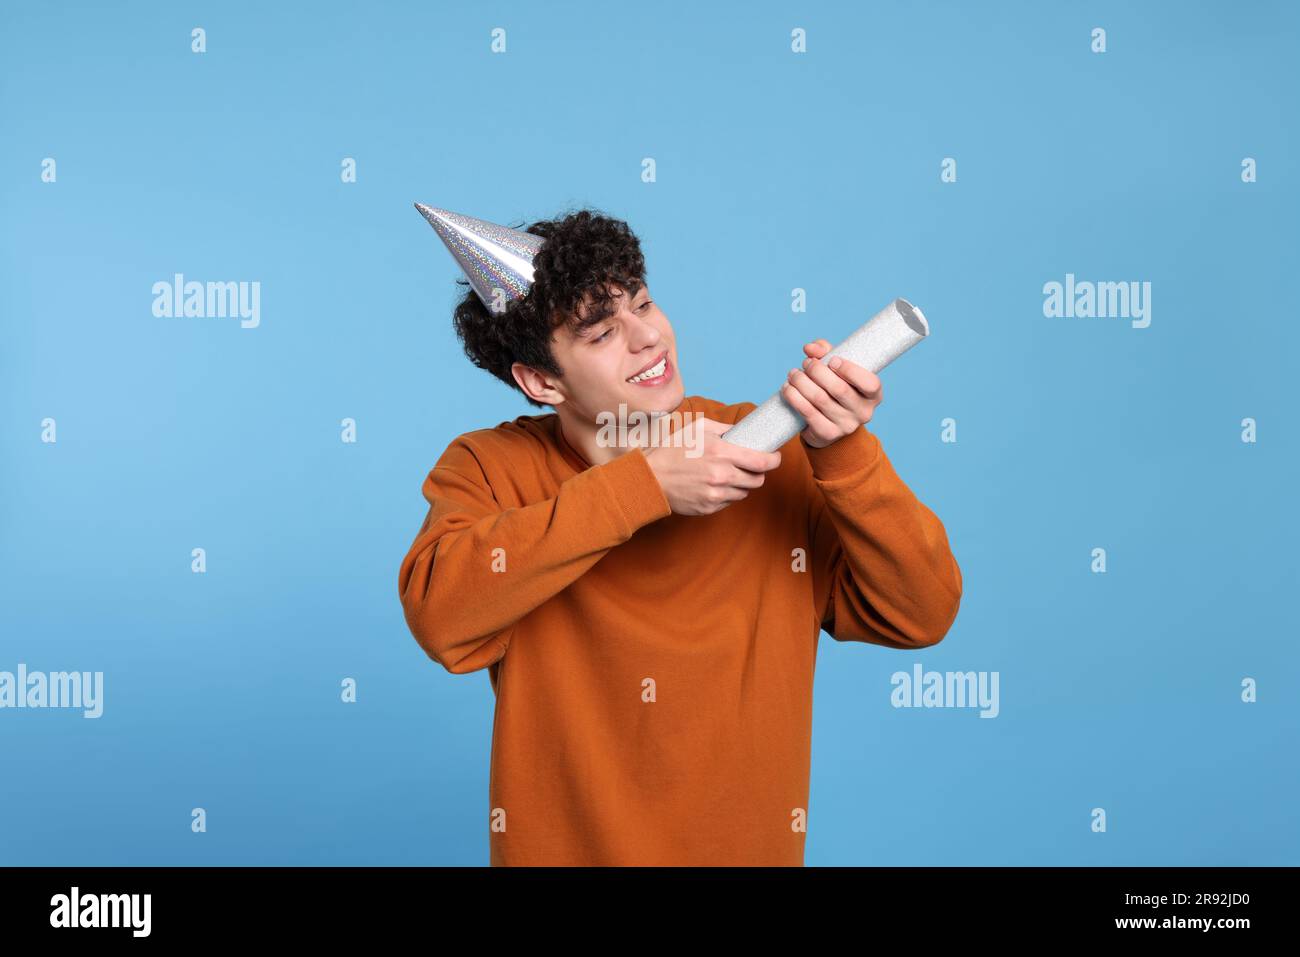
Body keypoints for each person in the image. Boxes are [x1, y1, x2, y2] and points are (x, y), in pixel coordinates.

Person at [397, 206, 963, 865]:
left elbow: (922, 612)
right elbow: (442, 617)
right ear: (541, 380)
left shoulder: (769, 454)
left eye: (643, 302)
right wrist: (646, 486)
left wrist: (844, 451)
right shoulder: (489, 468)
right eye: (602, 332)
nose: (648, 338)